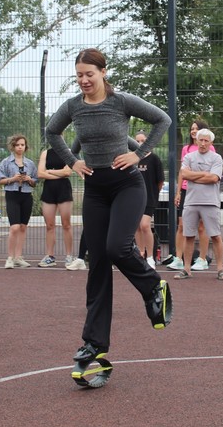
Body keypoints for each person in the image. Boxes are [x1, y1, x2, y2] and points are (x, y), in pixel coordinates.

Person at [45, 48, 173, 367]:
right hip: (95, 189)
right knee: (98, 262)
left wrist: (138, 153)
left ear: (103, 72)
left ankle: (152, 286)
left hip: (127, 184)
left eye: (89, 74)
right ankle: (94, 343)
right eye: (79, 75)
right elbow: (51, 132)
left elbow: (162, 119)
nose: (84, 80)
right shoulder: (73, 106)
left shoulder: (121, 101)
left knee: (117, 247)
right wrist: (73, 161)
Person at [173, 128, 223, 280]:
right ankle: (186, 269)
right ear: (196, 141)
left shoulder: (216, 158)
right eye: (201, 140)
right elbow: (184, 174)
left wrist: (193, 176)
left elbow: (214, 178)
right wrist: (204, 174)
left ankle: (220, 269)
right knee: (189, 236)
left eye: (206, 141)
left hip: (210, 203)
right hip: (191, 202)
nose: (203, 143)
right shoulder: (189, 157)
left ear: (211, 142)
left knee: (215, 235)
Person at [164, 119, 214, 271]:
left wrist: (193, 175)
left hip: (203, 191)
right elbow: (183, 172)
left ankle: (202, 259)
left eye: (196, 128)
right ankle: (179, 258)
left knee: (202, 227)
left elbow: (209, 173)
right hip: (187, 190)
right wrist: (178, 192)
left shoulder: (211, 149)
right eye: (192, 128)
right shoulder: (186, 148)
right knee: (182, 225)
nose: (193, 131)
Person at [0, 134, 38, 269]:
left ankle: (18, 257)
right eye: (17, 145)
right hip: (12, 195)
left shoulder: (30, 163)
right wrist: (12, 179)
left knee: (23, 227)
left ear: (25, 147)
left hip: (26, 195)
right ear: (13, 146)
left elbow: (35, 181)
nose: (20, 147)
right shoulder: (5, 162)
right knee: (14, 227)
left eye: (22, 145)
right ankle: (10, 257)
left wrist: (29, 179)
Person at [37, 144, 75, 268]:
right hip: (49, 191)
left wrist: (49, 171)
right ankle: (50, 256)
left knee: (66, 224)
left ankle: (69, 256)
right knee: (49, 225)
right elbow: (40, 174)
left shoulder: (68, 152)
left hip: (64, 190)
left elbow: (67, 172)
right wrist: (59, 173)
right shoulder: (45, 153)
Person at [135, 130, 165, 269]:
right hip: (134, 198)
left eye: (143, 140)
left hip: (149, 198)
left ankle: (150, 257)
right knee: (136, 227)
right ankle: (140, 254)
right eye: (137, 141)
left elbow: (160, 182)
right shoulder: (133, 159)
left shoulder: (154, 159)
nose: (140, 143)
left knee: (145, 226)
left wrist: (153, 193)